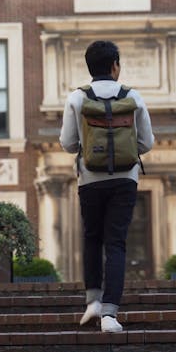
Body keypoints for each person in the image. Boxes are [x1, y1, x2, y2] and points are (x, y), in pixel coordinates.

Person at [60, 40, 154, 333]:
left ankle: (92, 303)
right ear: (115, 66)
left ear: (89, 67)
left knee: (92, 237)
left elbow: (68, 144)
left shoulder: (77, 98)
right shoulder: (133, 97)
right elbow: (146, 143)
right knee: (116, 242)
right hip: (125, 179)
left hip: (90, 180)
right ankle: (111, 314)